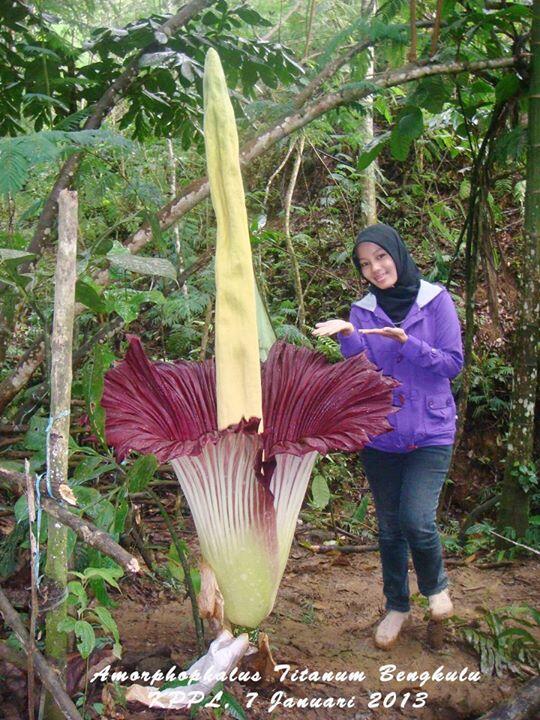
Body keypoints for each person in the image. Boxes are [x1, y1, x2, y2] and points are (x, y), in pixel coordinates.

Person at [312, 223, 463, 650]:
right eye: (365, 263)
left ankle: (437, 593)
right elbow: (364, 372)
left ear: (397, 253)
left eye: (381, 257)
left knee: (417, 519)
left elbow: (452, 364)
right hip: (380, 436)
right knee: (390, 528)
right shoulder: (362, 311)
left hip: (430, 431)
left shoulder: (436, 301)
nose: (375, 269)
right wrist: (347, 336)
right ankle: (397, 605)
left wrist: (409, 342)